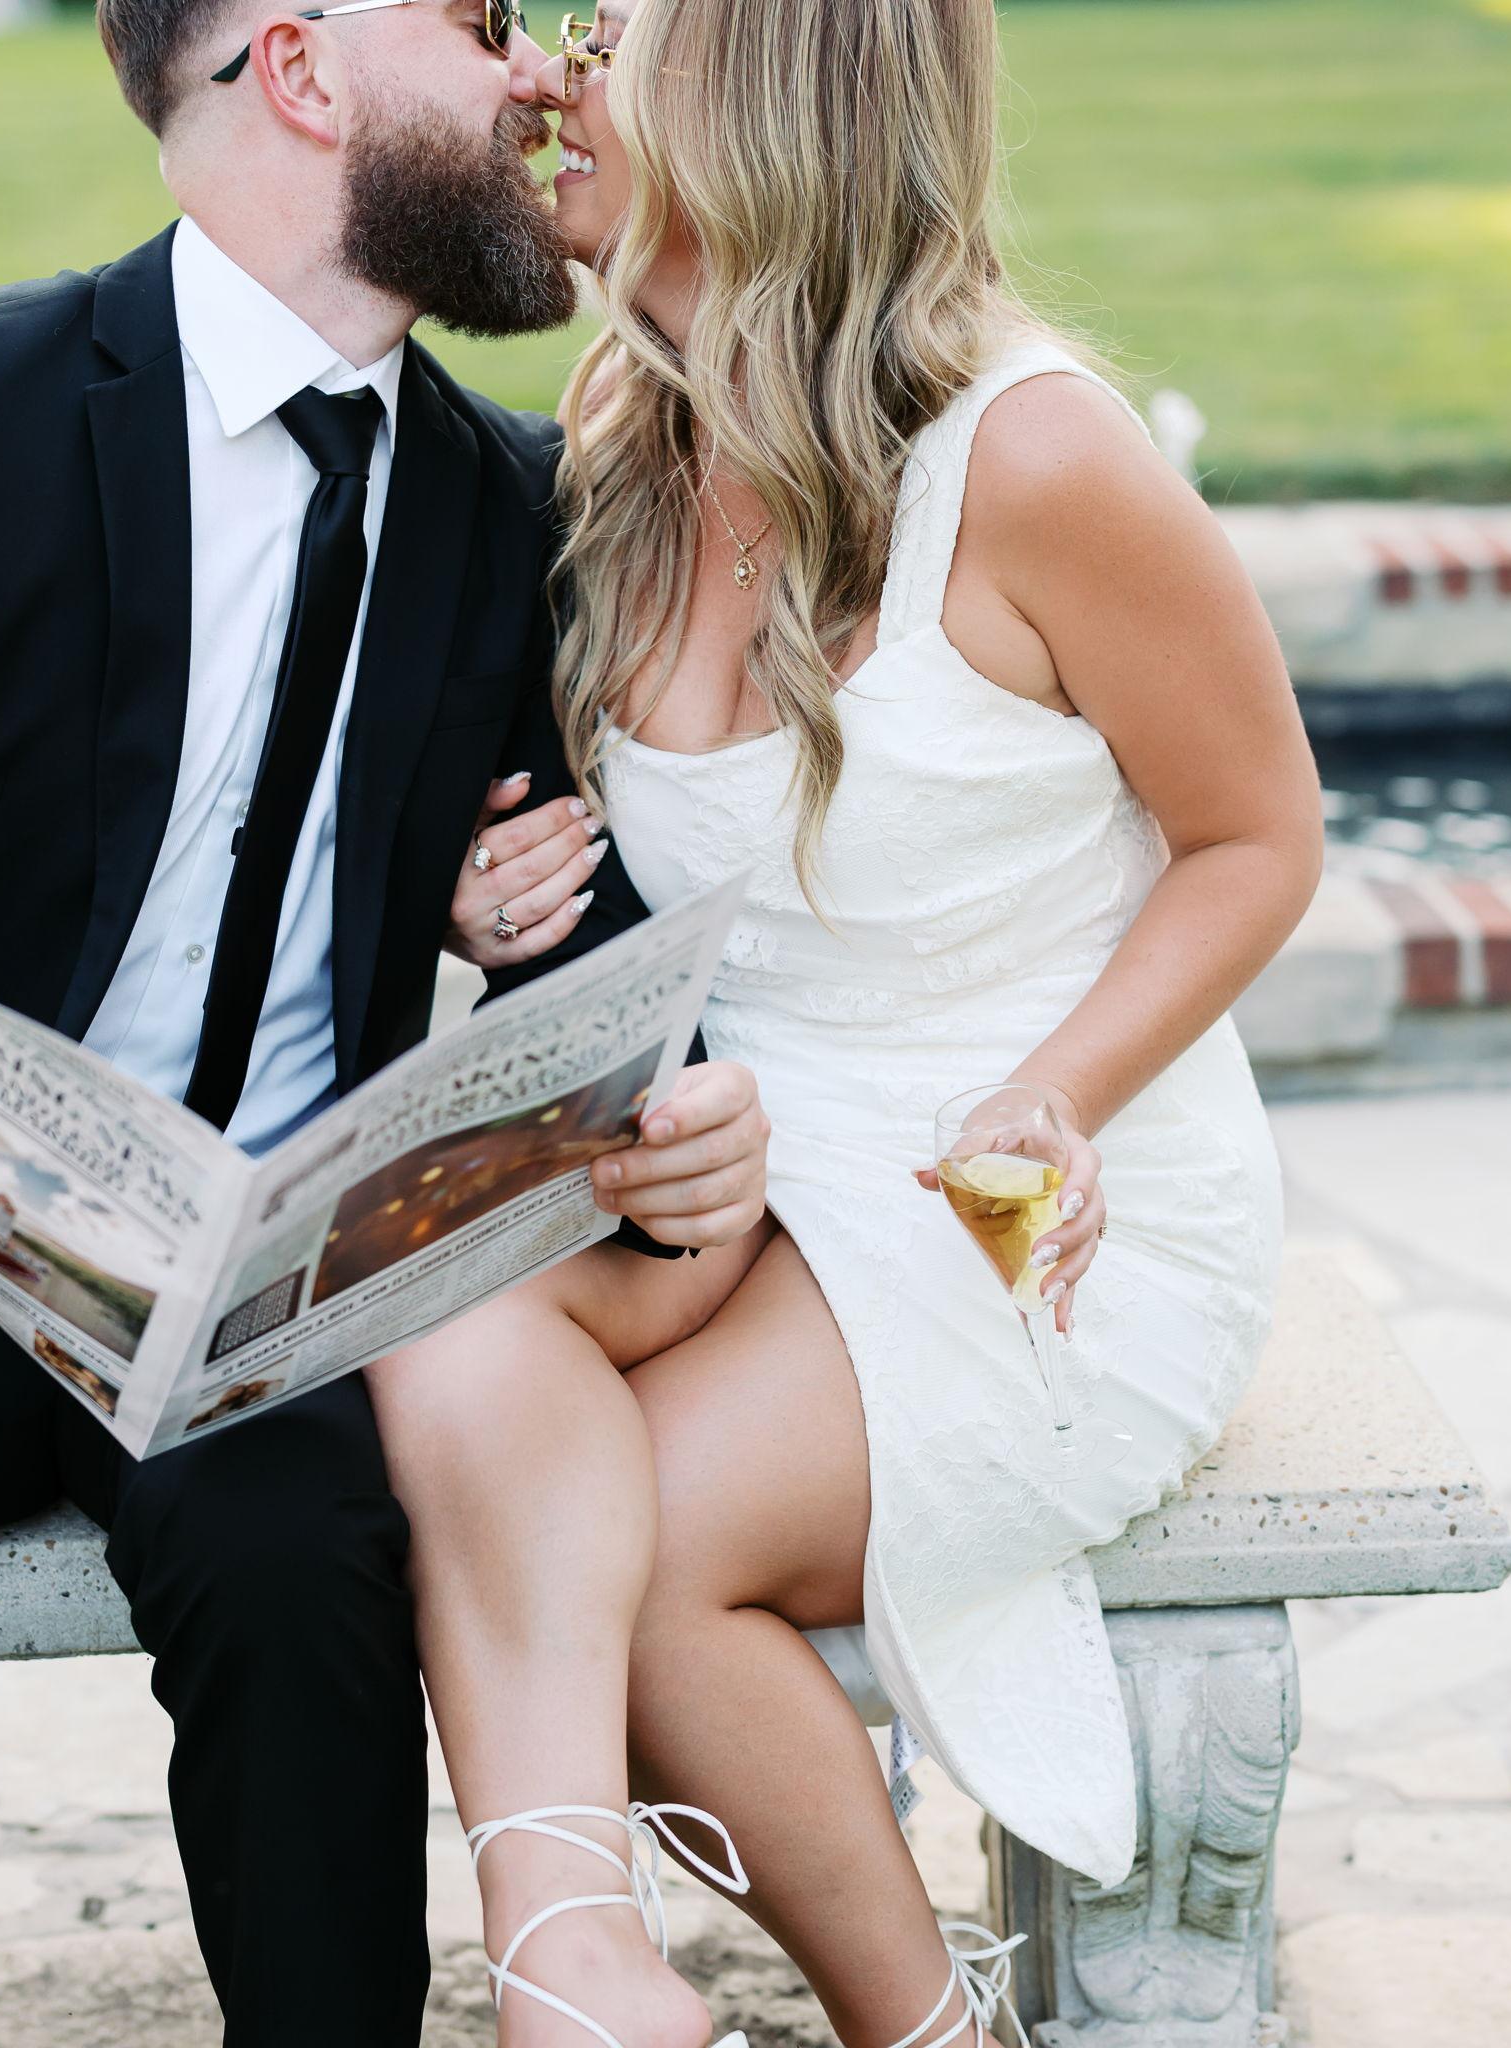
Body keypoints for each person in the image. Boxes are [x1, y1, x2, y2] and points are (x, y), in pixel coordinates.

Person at [0, 6, 769, 2042]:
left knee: (304, 1577)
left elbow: (574, 936)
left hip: (259, 1305)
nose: (536, 73)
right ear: (301, 73)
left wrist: (671, 1116)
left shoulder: (509, 501)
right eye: (478, 21)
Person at [364, 1, 1324, 2044]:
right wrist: (481, 889)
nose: (546, 76)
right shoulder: (626, 435)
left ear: (752, 100)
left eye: (603, 33)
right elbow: (650, 872)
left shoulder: (1036, 456)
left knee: (637, 1547)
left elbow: (1257, 838)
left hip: (1031, 1191)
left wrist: (1052, 1097)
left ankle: (917, 2026)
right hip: (748, 1151)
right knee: (443, 1344)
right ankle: (585, 1952)